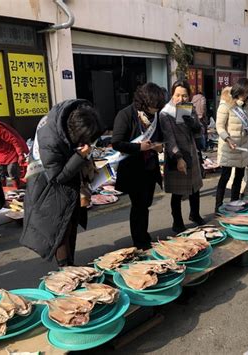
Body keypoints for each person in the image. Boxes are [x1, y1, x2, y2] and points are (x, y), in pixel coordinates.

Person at [20, 100, 102, 265]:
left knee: (70, 223)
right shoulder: (50, 139)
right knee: (60, 228)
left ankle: (70, 263)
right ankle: (65, 268)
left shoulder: (71, 118)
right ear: (75, 134)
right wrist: (80, 156)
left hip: (67, 182)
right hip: (47, 187)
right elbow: (57, 177)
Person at [112, 83, 166, 250]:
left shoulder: (155, 116)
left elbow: (161, 138)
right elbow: (116, 143)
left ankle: (144, 235)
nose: (155, 110)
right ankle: (140, 240)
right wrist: (138, 147)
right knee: (139, 206)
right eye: (152, 107)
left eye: (158, 107)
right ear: (143, 102)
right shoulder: (126, 115)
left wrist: (158, 146)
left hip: (150, 168)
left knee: (146, 204)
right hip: (133, 170)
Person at [160, 80, 205, 233]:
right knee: (177, 192)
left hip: (191, 151)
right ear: (172, 95)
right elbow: (169, 138)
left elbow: (199, 132)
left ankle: (195, 214)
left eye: (184, 95)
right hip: (176, 155)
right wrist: (178, 157)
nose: (181, 99)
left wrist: (194, 124)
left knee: (195, 187)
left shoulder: (189, 108)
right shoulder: (165, 113)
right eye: (177, 95)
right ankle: (177, 221)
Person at [215, 78, 248, 212]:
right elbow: (219, 126)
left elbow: (247, 124)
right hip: (229, 146)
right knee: (224, 177)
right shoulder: (226, 104)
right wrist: (228, 139)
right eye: (243, 92)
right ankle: (218, 207)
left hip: (242, 147)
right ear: (237, 90)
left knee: (239, 178)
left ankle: (234, 205)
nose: (245, 95)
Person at [0, 112, 28, 188]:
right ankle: (2, 191)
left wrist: (20, 154)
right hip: (1, 153)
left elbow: (14, 140)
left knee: (12, 171)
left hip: (12, 151)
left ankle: (17, 188)